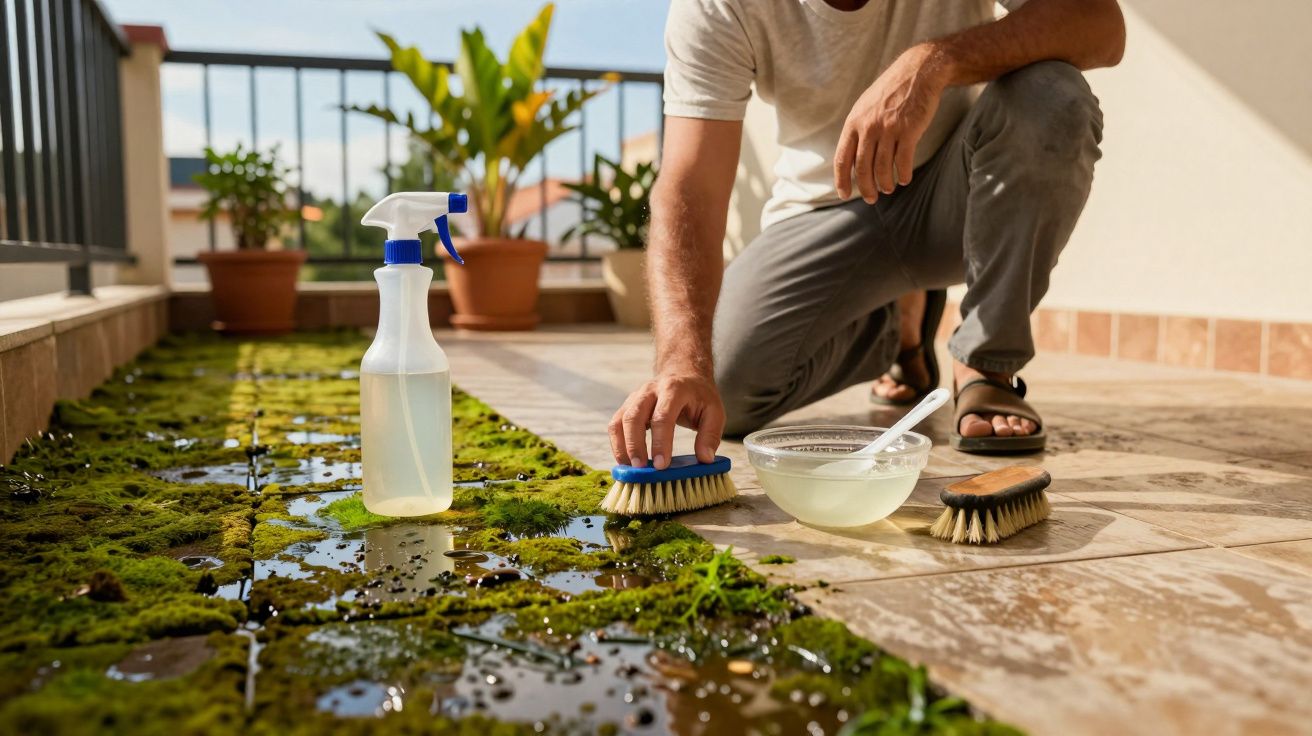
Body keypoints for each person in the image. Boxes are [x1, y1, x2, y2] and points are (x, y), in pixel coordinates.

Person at [609, 0, 1125, 468]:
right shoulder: (716, 6)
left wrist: (935, 61)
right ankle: (899, 328)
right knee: (726, 388)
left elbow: (1100, 25)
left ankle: (985, 366)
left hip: (959, 202)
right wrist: (681, 359)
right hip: (825, 214)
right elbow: (691, 185)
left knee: (1052, 96)